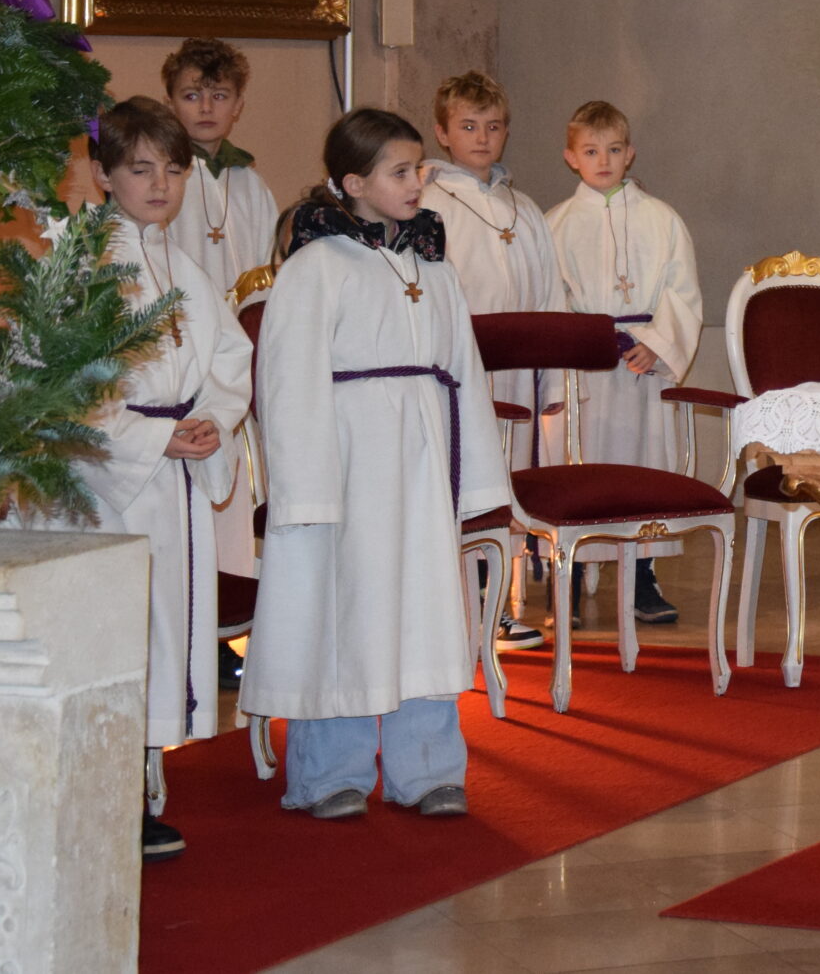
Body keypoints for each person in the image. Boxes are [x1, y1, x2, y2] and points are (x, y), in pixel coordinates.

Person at [241, 108, 509, 820]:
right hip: (347, 463)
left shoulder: (432, 264)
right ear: (354, 183)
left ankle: (428, 767)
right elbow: (287, 380)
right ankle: (332, 770)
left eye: (419, 167)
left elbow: (463, 369)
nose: (418, 181)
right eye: (401, 171)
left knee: (425, 607)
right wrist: (304, 487)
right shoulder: (316, 266)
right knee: (345, 607)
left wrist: (476, 475)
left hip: (420, 461)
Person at [68, 97, 253, 863]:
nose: (160, 185)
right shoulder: (82, 266)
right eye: (141, 169)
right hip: (116, 485)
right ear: (103, 174)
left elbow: (231, 356)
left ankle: (145, 792)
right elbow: (68, 385)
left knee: (164, 628)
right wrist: (150, 435)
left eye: (173, 170)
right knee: (120, 629)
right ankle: (108, 799)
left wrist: (211, 418)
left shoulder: (185, 268)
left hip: (175, 475)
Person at [547, 100, 701, 625]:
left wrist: (658, 342)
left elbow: (683, 293)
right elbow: (548, 297)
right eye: (591, 151)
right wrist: (580, 340)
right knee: (578, 467)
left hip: (641, 366)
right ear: (571, 157)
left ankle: (642, 574)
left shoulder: (663, 219)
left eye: (613, 150)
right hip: (581, 370)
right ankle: (568, 570)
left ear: (630, 153)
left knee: (641, 469)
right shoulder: (555, 224)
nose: (604, 160)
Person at [423, 71, 553, 651]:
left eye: (493, 126)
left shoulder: (523, 207)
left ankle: (497, 604)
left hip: (518, 375)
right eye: (468, 126)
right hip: (461, 372)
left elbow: (550, 296)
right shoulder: (430, 202)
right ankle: (462, 608)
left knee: (505, 486)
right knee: (464, 486)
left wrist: (552, 377)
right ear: (442, 133)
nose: (482, 138)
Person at [163, 36, 276, 582]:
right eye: (192, 95)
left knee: (245, 477)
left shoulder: (250, 182)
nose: (206, 108)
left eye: (219, 95)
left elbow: (267, 272)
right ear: (171, 104)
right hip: (182, 351)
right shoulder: (163, 180)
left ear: (239, 106)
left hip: (240, 353)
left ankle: (238, 596)